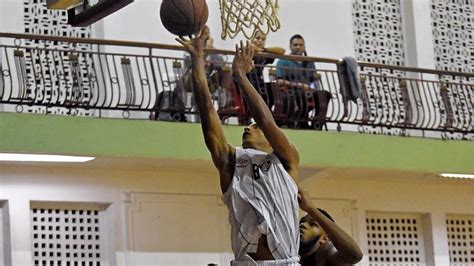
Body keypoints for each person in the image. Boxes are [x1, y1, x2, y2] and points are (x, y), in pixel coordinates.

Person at [177, 27, 301, 265]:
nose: (248, 127)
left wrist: (240, 75)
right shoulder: (232, 162)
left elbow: (265, 119)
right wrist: (197, 60)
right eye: (249, 126)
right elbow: (207, 112)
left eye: (254, 127)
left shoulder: (287, 160)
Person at [298, 190, 363, 266]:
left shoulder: (326, 253)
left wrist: (311, 209)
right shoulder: (291, 253)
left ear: (324, 239)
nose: (303, 225)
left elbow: (355, 256)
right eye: (302, 222)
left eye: (313, 224)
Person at [276, 34, 319, 128]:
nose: (298, 47)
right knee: (301, 94)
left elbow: (315, 81)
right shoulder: (283, 61)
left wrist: (312, 88)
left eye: (300, 45)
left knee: (324, 95)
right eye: (295, 45)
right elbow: (279, 81)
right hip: (291, 90)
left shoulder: (309, 62)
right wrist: (299, 85)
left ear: (304, 46)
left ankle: (317, 123)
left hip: (307, 90)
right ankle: (302, 123)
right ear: (290, 46)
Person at [247, 31, 285, 108]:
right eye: (257, 38)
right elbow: (248, 46)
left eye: (263, 39)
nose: (260, 41)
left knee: (272, 89)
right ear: (251, 39)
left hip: (258, 81)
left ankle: (268, 110)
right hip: (246, 79)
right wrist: (259, 49)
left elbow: (282, 51)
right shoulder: (247, 49)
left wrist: (264, 49)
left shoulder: (264, 53)